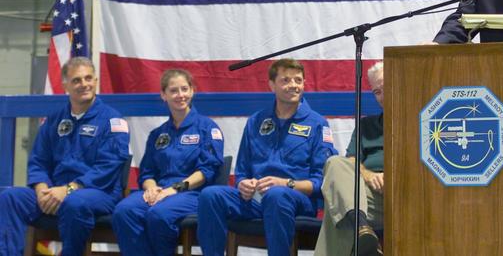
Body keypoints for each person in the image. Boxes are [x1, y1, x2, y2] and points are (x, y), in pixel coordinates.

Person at [197, 58, 337, 256]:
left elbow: (320, 182)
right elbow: (242, 172)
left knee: (276, 195)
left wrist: (285, 183)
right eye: (286, 80)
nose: (293, 85)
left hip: (297, 199)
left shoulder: (317, 124)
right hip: (254, 199)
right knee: (210, 195)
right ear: (272, 85)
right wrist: (243, 184)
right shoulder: (256, 121)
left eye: (298, 80)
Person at [0, 57, 130, 256]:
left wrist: (69, 189)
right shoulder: (54, 120)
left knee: (75, 202)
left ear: (96, 81)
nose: (84, 84)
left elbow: (108, 167)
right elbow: (38, 160)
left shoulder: (113, 121)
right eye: (77, 80)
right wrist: (42, 189)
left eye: (88, 78)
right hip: (54, 191)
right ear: (65, 85)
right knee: (11, 197)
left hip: (98, 192)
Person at [112, 69, 224, 256]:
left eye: (184, 89)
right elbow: (147, 172)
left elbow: (208, 170)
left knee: (158, 214)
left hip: (192, 193)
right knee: (124, 211)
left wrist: (175, 189)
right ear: (163, 95)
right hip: (161, 191)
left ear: (192, 91)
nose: (180, 95)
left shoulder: (207, 128)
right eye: (173, 90)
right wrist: (151, 188)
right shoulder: (158, 134)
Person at [314, 61, 384, 256]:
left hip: (403, 197)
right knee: (335, 163)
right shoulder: (367, 125)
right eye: (377, 92)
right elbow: (351, 161)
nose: (383, 96)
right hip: (366, 195)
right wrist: (369, 175)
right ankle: (361, 226)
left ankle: (361, 231)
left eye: (386, 87)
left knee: (338, 211)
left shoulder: (422, 120)